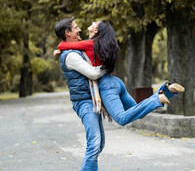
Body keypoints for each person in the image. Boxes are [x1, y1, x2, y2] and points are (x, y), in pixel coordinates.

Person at [55, 18, 184, 171]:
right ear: (68, 33)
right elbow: (87, 66)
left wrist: (61, 48)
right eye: (76, 28)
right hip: (97, 94)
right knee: (99, 143)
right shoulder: (73, 53)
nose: (81, 29)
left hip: (100, 91)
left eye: (82, 27)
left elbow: (91, 70)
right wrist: (60, 49)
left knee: (113, 126)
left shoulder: (79, 48)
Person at [56, 20, 185, 126]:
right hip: (116, 82)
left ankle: (157, 98)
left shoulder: (90, 43)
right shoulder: (104, 44)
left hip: (105, 86)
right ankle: (165, 91)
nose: (90, 24)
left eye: (94, 23)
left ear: (96, 31)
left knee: (121, 118)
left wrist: (59, 50)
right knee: (137, 111)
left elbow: (65, 45)